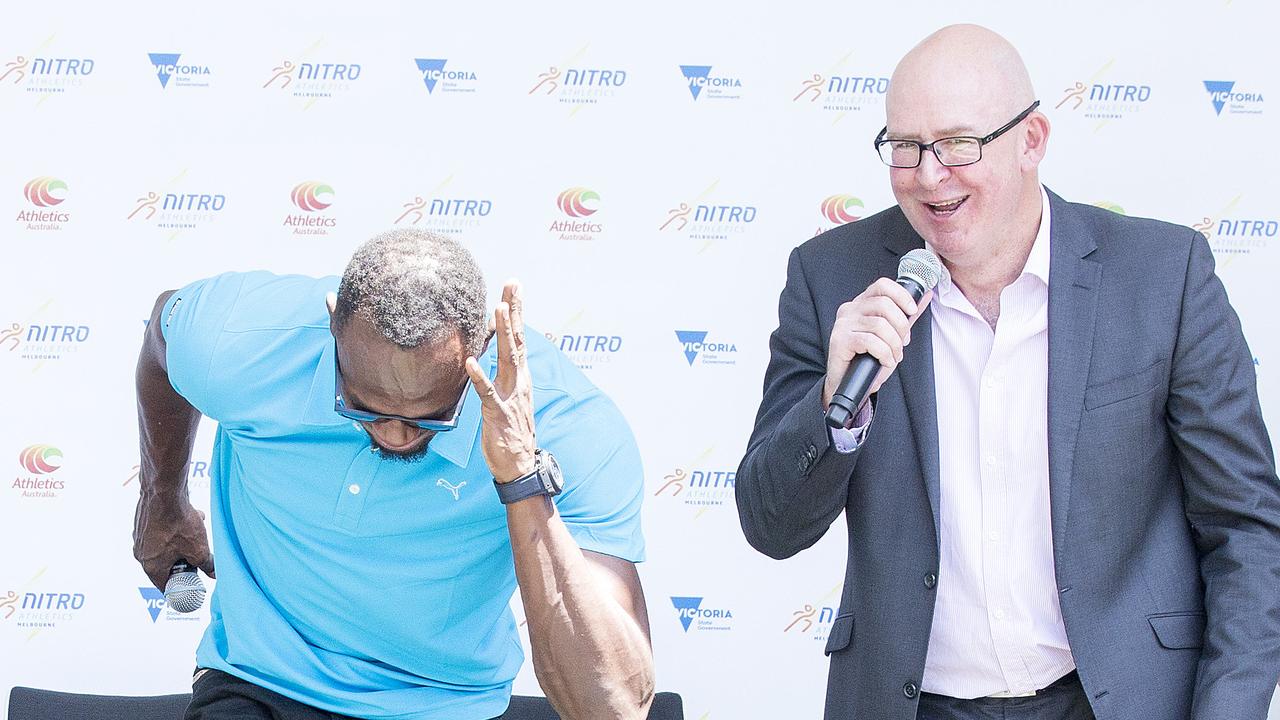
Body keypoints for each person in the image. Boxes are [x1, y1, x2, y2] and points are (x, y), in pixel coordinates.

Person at [735, 24, 1280, 720]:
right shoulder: (832, 277)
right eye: (905, 146)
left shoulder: (1162, 278)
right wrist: (835, 404)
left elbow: (1247, 532)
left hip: (1117, 701)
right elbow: (769, 525)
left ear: (1032, 141)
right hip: (915, 705)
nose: (930, 174)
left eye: (959, 144)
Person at [133, 228, 654, 720]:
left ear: (484, 345)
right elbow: (163, 336)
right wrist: (163, 500)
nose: (397, 435)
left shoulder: (567, 425)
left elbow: (613, 707)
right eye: (364, 408)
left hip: (440, 702)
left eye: (429, 417)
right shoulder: (246, 340)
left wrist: (521, 477)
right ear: (333, 325)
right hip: (258, 680)